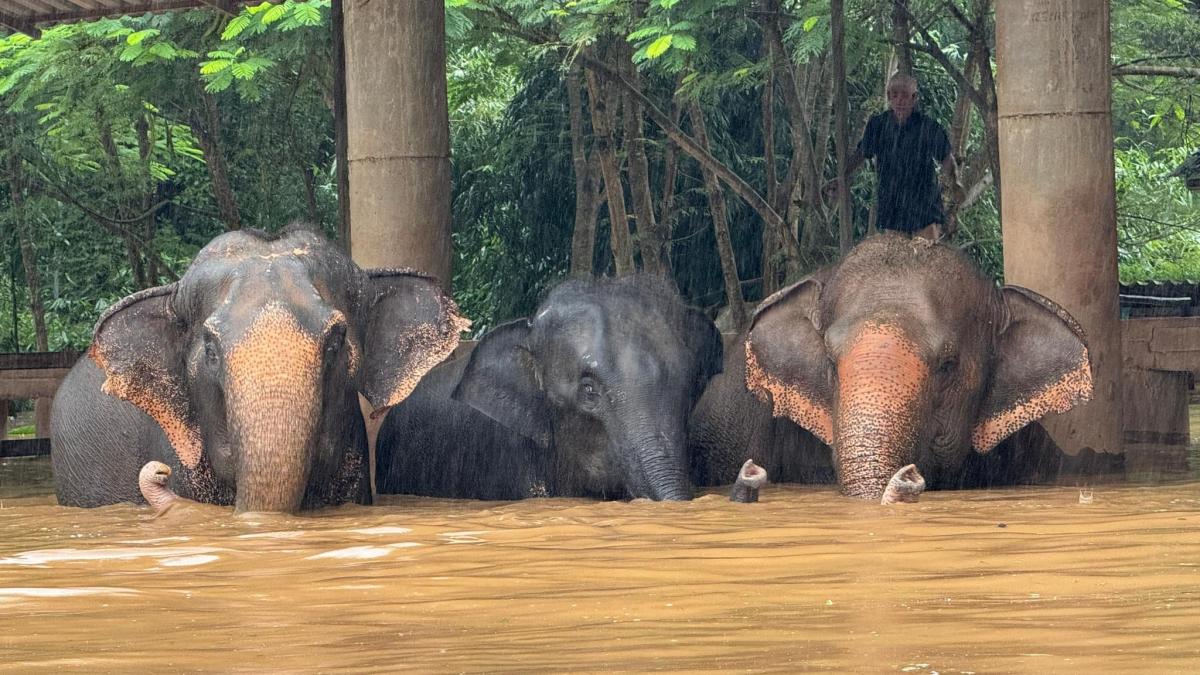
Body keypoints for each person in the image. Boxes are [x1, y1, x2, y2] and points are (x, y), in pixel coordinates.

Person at [828, 72, 965, 240]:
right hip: (892, 205)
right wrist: (842, 177)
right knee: (896, 260)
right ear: (888, 96)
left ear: (914, 98)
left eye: (905, 95)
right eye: (895, 95)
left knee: (927, 258)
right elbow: (861, 154)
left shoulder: (928, 127)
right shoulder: (878, 125)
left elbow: (946, 158)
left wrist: (956, 183)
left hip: (924, 206)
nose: (900, 100)